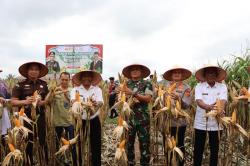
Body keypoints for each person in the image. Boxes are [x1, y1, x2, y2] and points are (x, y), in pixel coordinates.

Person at [11, 62, 49, 165]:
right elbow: (13, 101)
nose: (34, 71)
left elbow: (48, 100)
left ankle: (43, 162)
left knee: (42, 142)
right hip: (25, 119)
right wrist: (25, 101)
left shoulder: (44, 84)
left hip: (40, 117)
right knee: (28, 143)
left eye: (36, 69)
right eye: (31, 69)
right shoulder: (20, 85)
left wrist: (42, 102)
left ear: (39, 72)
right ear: (27, 71)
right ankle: (28, 162)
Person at [193, 66, 227, 166]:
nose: (210, 75)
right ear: (204, 75)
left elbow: (223, 101)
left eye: (213, 73)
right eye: (208, 73)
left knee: (215, 149)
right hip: (201, 122)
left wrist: (220, 108)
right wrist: (209, 107)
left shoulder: (222, 87)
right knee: (198, 148)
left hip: (217, 122)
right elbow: (199, 101)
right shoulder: (199, 86)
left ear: (216, 75)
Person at [121, 64, 153, 166]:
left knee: (144, 143)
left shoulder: (147, 84)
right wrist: (120, 94)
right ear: (130, 73)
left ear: (141, 72)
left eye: (137, 70)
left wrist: (133, 94)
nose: (134, 71)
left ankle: (145, 163)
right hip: (128, 120)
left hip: (143, 120)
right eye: (132, 70)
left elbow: (148, 98)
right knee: (128, 144)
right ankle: (130, 162)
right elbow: (121, 100)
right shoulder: (126, 84)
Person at [70, 70, 103, 166]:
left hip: (94, 120)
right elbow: (73, 102)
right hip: (80, 120)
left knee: (96, 146)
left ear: (92, 78)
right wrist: (85, 104)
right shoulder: (75, 90)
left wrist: (94, 106)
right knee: (78, 146)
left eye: (89, 76)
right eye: (84, 76)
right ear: (80, 78)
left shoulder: (97, 90)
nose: (86, 78)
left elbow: (100, 102)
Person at [162, 66, 192, 166]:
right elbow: (161, 102)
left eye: (179, 72)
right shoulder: (166, 86)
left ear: (182, 75)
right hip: (167, 121)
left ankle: (180, 163)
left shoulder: (186, 88)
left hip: (180, 122)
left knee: (179, 144)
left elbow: (187, 104)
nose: (177, 74)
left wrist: (179, 99)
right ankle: (169, 163)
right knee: (167, 143)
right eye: (174, 72)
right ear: (171, 75)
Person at [51, 72, 77, 166]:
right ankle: (59, 160)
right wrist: (52, 93)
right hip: (57, 122)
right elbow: (48, 101)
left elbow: (73, 103)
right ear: (59, 79)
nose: (64, 81)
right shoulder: (55, 90)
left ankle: (72, 161)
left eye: (66, 80)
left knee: (71, 144)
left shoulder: (73, 90)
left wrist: (65, 94)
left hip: (70, 122)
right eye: (62, 79)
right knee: (58, 143)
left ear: (69, 80)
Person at [0, 69, 11, 147]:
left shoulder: (3, 85)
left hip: (3, 115)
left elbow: (10, 99)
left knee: (4, 137)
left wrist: (5, 100)